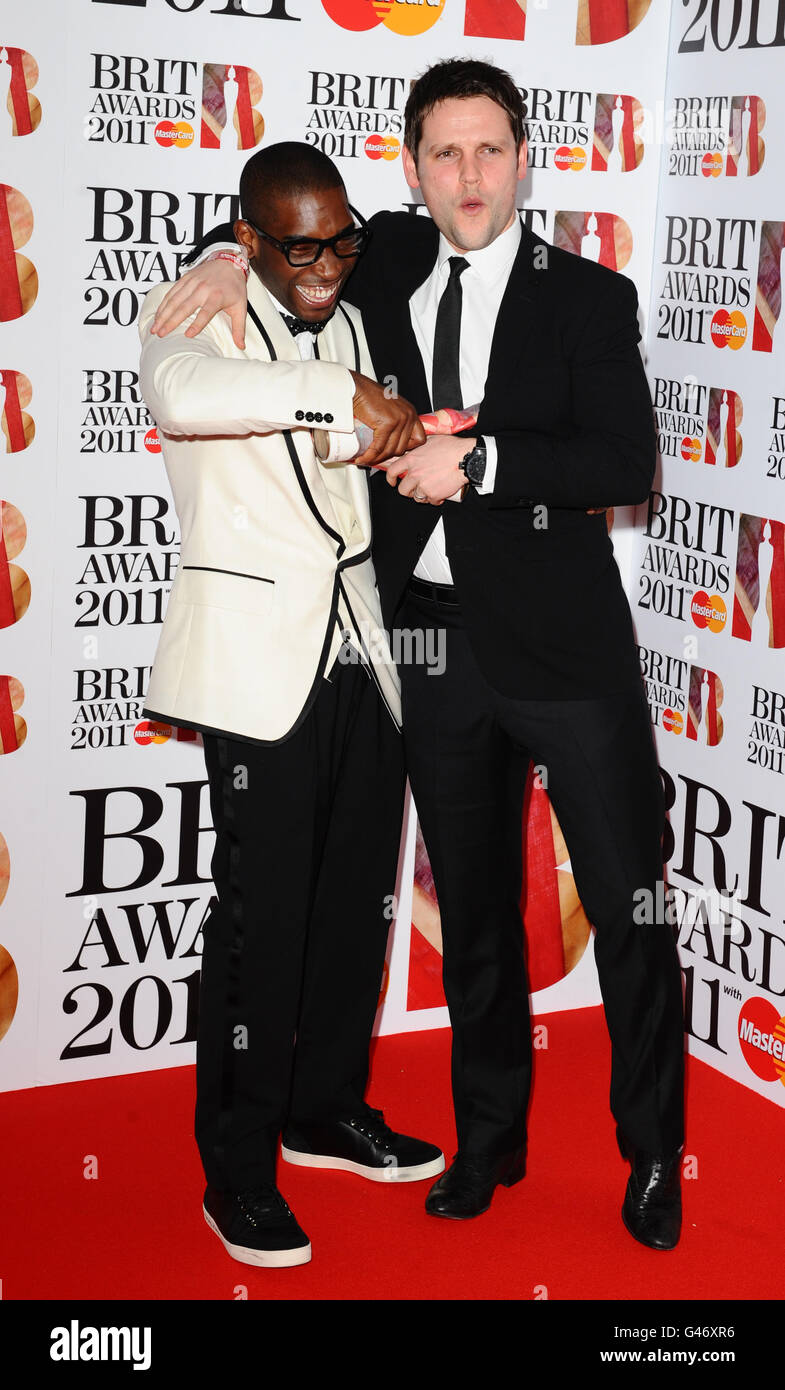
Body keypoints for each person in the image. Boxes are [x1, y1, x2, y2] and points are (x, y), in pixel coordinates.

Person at [151, 59, 686, 1252]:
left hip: (566, 655)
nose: (468, 175)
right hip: (429, 654)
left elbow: (618, 464)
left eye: (488, 149)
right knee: (475, 917)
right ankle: (488, 1141)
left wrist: (480, 461)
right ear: (412, 168)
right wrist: (219, 256)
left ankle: (653, 1150)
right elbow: (273, 223)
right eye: (443, 153)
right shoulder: (383, 257)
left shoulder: (586, 296)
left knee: (629, 905)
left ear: (522, 155)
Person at [138, 142, 444, 1270]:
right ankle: (237, 1169)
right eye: (295, 245)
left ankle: (324, 1109)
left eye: (339, 242)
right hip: (256, 663)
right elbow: (184, 394)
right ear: (251, 238)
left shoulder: (354, 312)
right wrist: (329, 391)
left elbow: (348, 440)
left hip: (361, 650)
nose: (325, 267)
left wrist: (392, 429)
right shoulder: (195, 305)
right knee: (259, 922)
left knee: (354, 902)